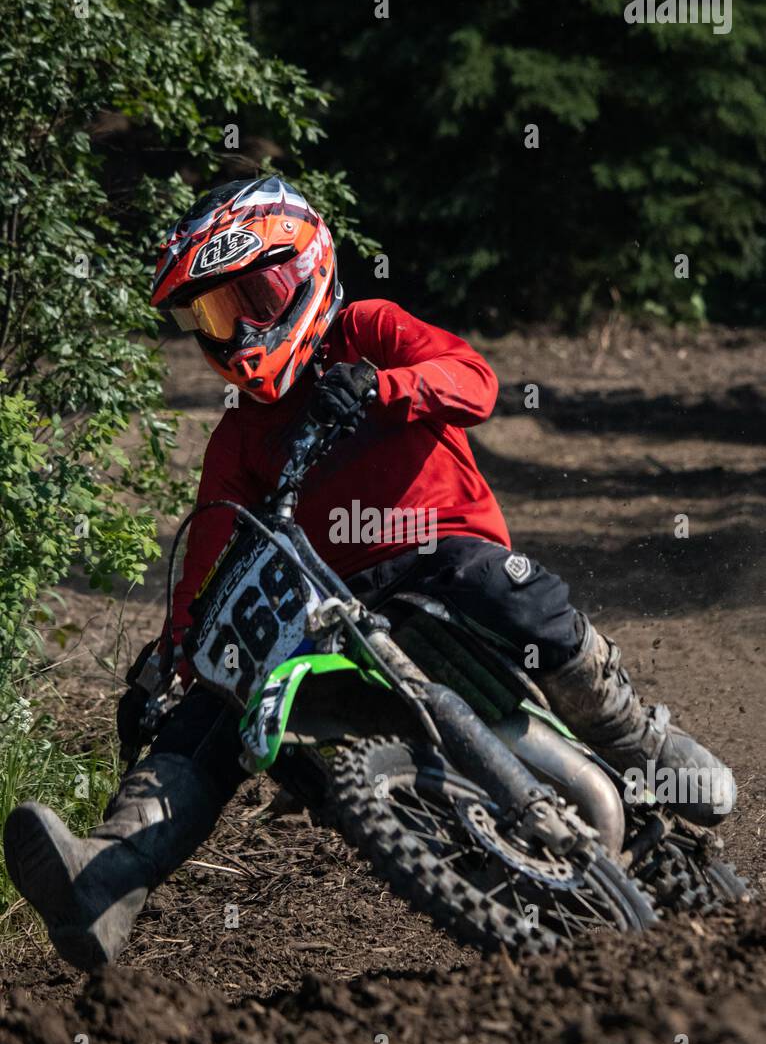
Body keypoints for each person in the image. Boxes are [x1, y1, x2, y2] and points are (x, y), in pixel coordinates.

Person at [3, 176, 736, 970]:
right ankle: (106, 878)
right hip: (330, 600)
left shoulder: (368, 329)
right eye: (216, 315)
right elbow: (210, 556)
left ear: (306, 269)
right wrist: (171, 662)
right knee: (214, 710)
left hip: (441, 550)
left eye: (255, 294)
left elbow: (476, 381)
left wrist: (383, 387)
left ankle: (634, 741)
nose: (241, 327)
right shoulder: (240, 439)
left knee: (507, 588)